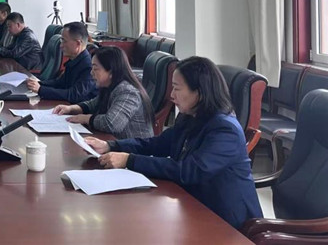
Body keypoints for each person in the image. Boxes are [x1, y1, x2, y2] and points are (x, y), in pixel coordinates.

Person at [84, 56, 262, 230]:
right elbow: (158, 144)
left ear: (199, 92)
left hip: (226, 223)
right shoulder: (190, 116)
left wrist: (129, 160)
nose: (171, 95)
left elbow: (189, 170)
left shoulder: (225, 129)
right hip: (192, 207)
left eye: (176, 88)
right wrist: (111, 146)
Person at [52, 46, 153, 139]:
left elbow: (112, 123)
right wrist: (71, 109)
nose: (91, 72)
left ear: (111, 71)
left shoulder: (128, 92)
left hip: (132, 149)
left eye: (95, 68)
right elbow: (93, 104)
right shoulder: (109, 86)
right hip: (113, 142)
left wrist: (86, 118)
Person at [26, 21, 96, 103]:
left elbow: (73, 95)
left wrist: (41, 90)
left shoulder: (89, 67)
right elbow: (60, 83)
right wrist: (39, 83)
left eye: (64, 41)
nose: (61, 45)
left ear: (77, 43)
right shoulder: (74, 60)